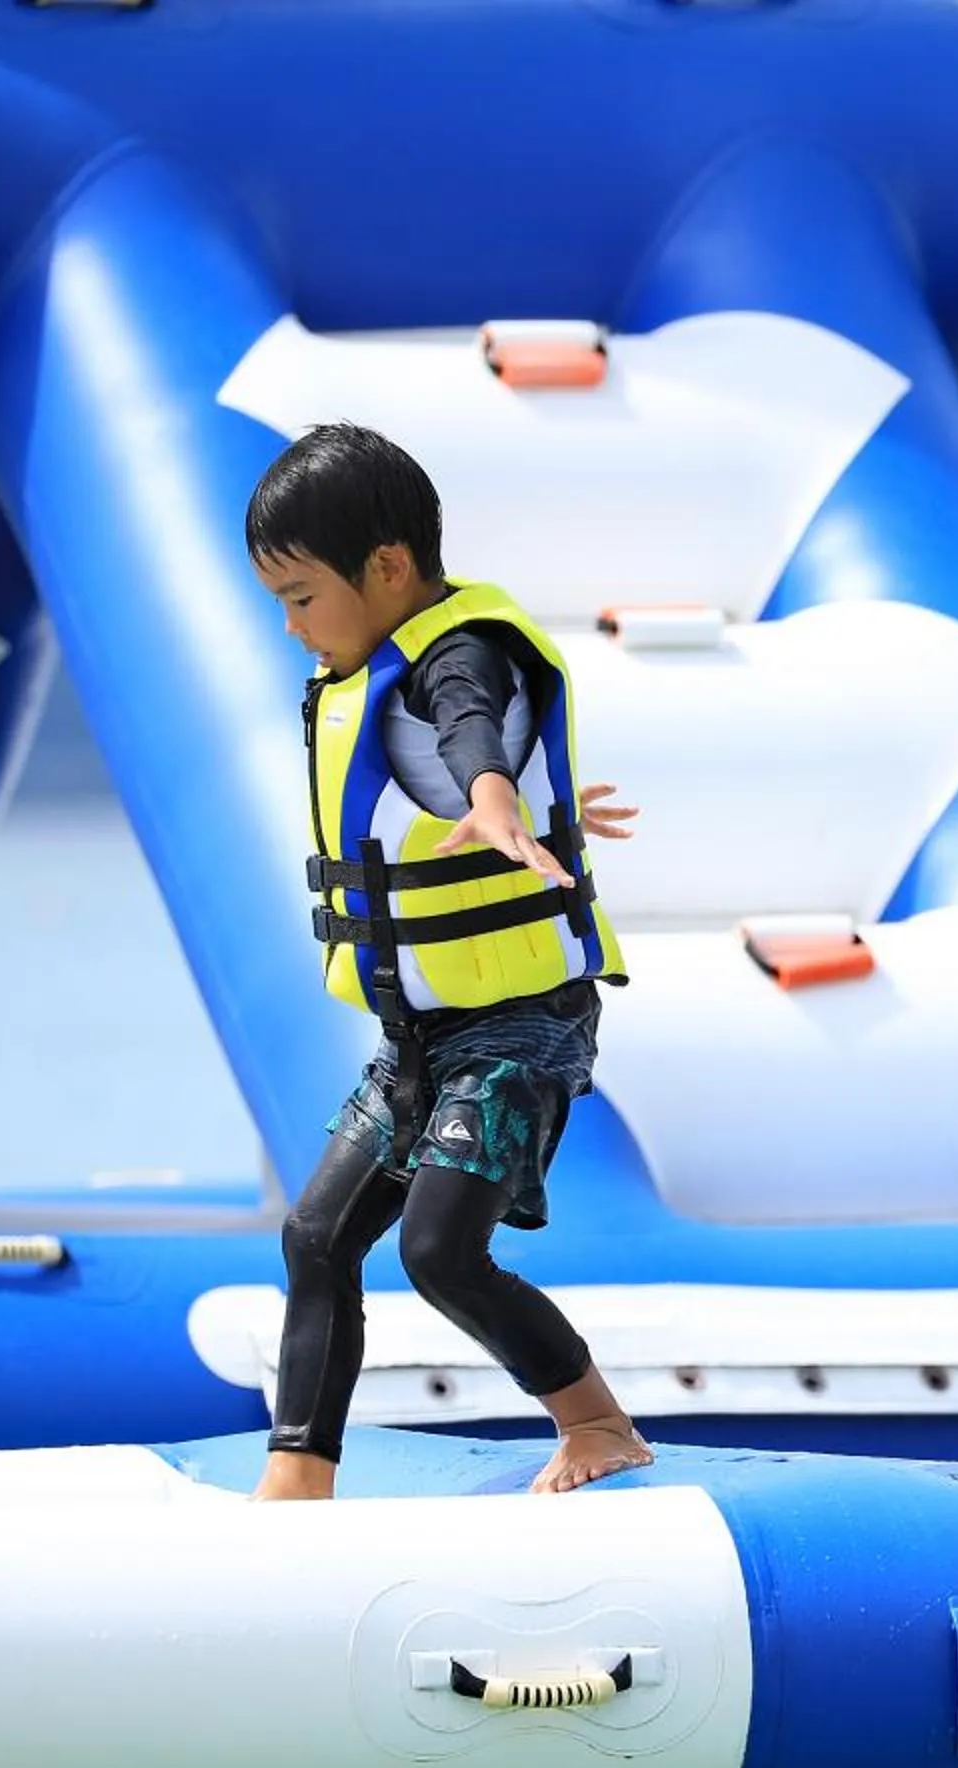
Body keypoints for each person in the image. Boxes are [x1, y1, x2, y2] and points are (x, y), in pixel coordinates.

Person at [244, 422, 653, 1499]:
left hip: (521, 1023)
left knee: (438, 1250)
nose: (290, 626)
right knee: (317, 1231)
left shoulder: (461, 654)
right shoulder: (373, 663)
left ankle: (598, 1422)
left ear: (385, 570)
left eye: (299, 596)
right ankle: (298, 1474)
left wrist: (492, 795)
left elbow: (468, 722)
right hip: (423, 1035)